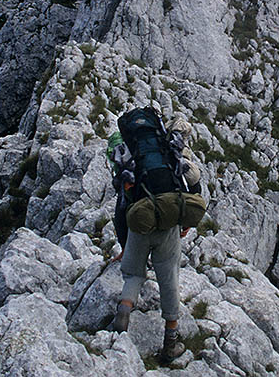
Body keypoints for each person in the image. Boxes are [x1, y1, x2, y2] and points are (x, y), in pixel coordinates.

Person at [110, 113, 201, 366]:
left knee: (134, 275)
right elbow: (194, 187)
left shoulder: (130, 157)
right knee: (169, 278)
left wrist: (124, 245)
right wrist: (185, 222)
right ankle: (170, 344)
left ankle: (122, 317)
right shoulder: (174, 153)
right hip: (168, 224)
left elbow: (121, 209)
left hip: (139, 220)